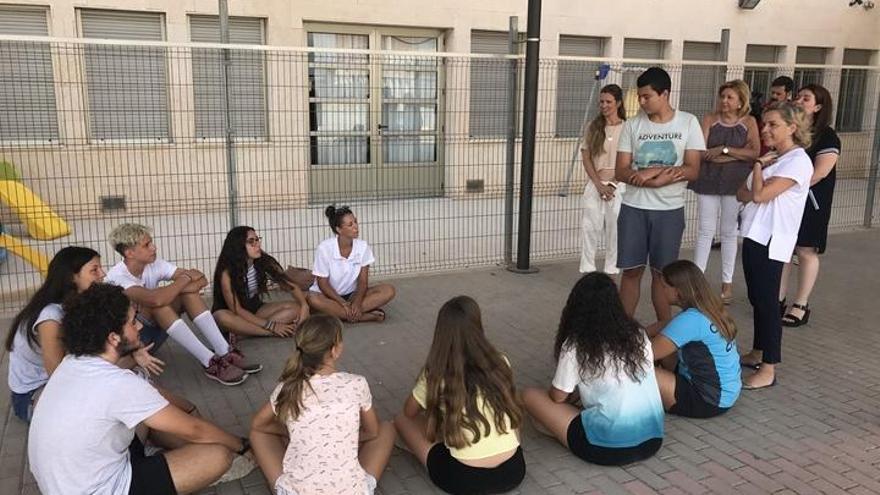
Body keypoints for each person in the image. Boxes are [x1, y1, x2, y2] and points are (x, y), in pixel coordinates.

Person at [28, 283, 250, 495]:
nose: (141, 326)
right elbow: (194, 429)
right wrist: (240, 445)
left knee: (149, 415)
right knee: (217, 456)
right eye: (133, 322)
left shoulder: (72, 363)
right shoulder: (118, 383)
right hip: (101, 488)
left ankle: (159, 462)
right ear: (113, 338)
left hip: (64, 483)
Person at [522, 273, 664, 466]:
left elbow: (557, 397)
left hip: (606, 448)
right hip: (653, 439)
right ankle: (559, 425)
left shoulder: (576, 345)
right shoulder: (637, 335)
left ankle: (558, 428)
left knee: (530, 396)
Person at [249, 314, 395, 495]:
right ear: (335, 350)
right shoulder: (357, 383)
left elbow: (258, 424)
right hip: (352, 492)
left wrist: (296, 434)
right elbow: (372, 432)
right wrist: (338, 437)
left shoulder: (288, 387)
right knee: (386, 429)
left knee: (257, 434)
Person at [394, 296, 525, 494]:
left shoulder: (436, 372)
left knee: (401, 420)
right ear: (478, 325)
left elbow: (409, 411)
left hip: (463, 479)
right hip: (513, 470)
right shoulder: (500, 362)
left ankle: (435, 445)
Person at [106, 223, 259, 386]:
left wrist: (178, 288)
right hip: (133, 346)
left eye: (151, 242)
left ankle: (224, 351)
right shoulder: (117, 277)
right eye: (147, 245)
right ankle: (209, 362)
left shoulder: (154, 263)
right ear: (129, 253)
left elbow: (201, 279)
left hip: (155, 331)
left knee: (187, 294)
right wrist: (184, 280)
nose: (153, 247)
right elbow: (155, 300)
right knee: (161, 304)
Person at [615, 67, 706, 322]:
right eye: (640, 97)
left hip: (669, 211)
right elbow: (621, 170)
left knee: (662, 274)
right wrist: (645, 181)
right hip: (634, 207)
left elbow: (693, 169)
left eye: (647, 97)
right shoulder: (632, 125)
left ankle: (667, 338)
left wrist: (653, 171)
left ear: (664, 93)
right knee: (631, 272)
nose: (642, 102)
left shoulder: (688, 122)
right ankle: (622, 335)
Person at [737, 101, 813, 389]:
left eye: (772, 125)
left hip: (773, 239)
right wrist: (759, 176)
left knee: (768, 303)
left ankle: (769, 368)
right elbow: (740, 193)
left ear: (792, 128)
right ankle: (758, 351)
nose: (765, 129)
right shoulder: (774, 158)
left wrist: (757, 167)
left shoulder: (797, 161)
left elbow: (758, 196)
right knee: (757, 298)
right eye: (764, 123)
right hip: (755, 236)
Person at [688, 80, 761, 304]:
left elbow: (754, 152)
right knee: (705, 230)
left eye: (730, 97)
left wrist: (724, 151)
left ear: (741, 101)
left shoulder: (749, 122)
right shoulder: (709, 119)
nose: (724, 101)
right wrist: (731, 155)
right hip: (708, 180)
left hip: (735, 183)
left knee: (729, 232)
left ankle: (726, 284)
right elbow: (700, 151)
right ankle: (697, 282)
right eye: (723, 97)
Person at [779, 84, 841, 327]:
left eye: (806, 98)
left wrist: (788, 185)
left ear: (818, 107)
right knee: (784, 249)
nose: (798, 101)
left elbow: (820, 172)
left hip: (811, 203)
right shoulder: (791, 131)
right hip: (786, 201)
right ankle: (777, 299)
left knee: (805, 251)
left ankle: (800, 304)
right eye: (798, 97)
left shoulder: (827, 136)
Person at [649, 260, 741, 418]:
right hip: (726, 392)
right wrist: (637, 332)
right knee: (660, 343)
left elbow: (643, 355)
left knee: (638, 370)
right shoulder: (708, 308)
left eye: (664, 287)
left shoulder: (690, 320)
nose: (662, 291)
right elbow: (667, 325)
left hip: (707, 401)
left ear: (678, 291)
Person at [212, 226, 310, 338]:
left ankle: (244, 333)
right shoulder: (226, 272)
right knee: (221, 317)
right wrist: (272, 326)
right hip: (232, 313)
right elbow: (236, 309)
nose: (257, 244)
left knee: (295, 308)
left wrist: (304, 306)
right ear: (238, 246)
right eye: (251, 242)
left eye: (257, 239)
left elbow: (290, 285)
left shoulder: (263, 260)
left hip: (254, 308)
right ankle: (264, 332)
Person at [307, 206, 395, 323]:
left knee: (388, 290)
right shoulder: (325, 248)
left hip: (352, 295)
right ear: (339, 229)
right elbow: (323, 284)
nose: (356, 227)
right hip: (328, 296)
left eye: (355, 222)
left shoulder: (363, 247)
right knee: (313, 299)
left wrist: (357, 303)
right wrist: (342, 303)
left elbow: (363, 282)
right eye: (350, 225)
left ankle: (341, 314)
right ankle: (363, 316)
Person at [579, 84, 627, 274]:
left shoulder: (627, 128)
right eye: (601, 101)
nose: (604, 105)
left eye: (608, 101)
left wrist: (613, 184)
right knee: (590, 227)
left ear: (618, 103)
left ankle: (611, 268)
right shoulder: (593, 126)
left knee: (614, 229)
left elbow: (629, 160)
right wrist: (599, 185)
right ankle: (587, 268)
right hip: (595, 184)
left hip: (619, 185)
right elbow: (586, 157)